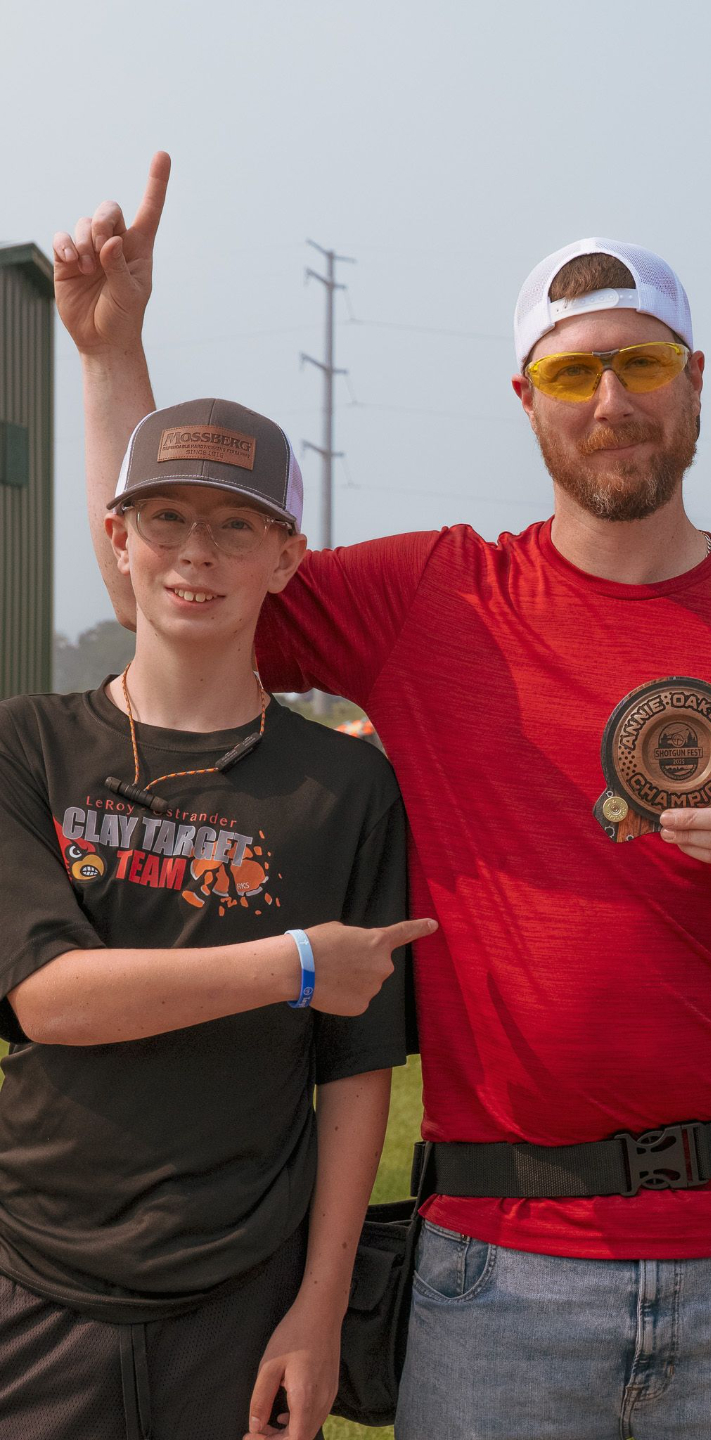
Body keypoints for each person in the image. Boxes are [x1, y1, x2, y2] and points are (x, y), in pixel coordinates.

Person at [58, 155, 711, 1439]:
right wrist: (110, 352)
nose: (613, 400)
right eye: (576, 373)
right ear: (528, 401)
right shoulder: (432, 598)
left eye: (644, 363)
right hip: (501, 1266)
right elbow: (167, 586)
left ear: (697, 383)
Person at [0, 391, 435, 1440]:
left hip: (245, 1299)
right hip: (33, 1281)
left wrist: (319, 1310)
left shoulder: (348, 789)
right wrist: (292, 964)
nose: (197, 553)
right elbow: (51, 999)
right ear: (120, 538)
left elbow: (355, 1079)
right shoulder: (29, 748)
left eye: (236, 524)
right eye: (167, 519)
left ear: (285, 556)